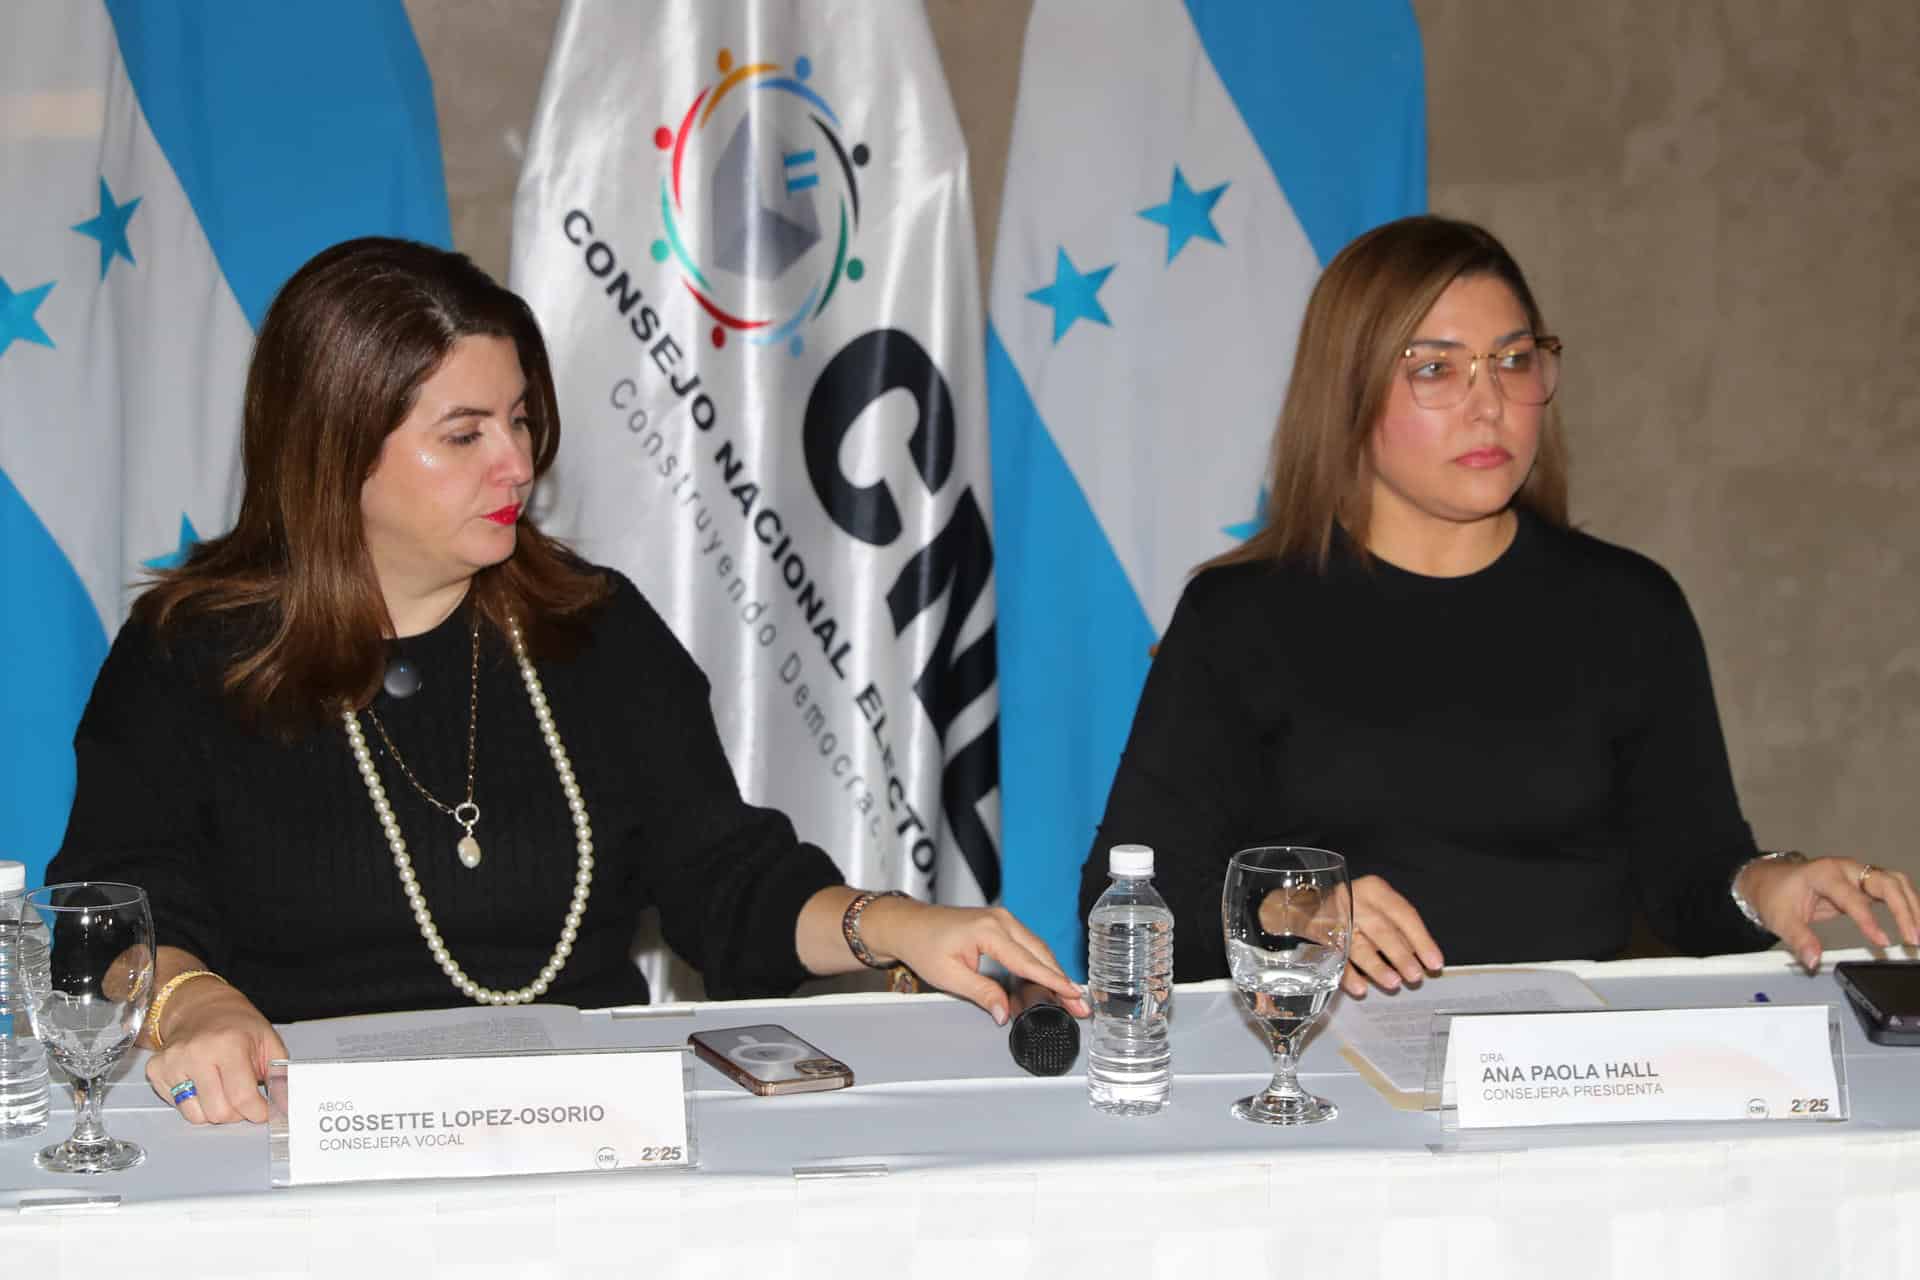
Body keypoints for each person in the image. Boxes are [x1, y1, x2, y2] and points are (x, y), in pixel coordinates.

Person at [48, 237, 1085, 1126]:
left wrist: (895, 922)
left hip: (587, 1134)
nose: (516, 464)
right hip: (296, 1131)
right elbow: (113, 913)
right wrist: (187, 999)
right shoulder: (191, 653)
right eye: (464, 434)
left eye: (521, 419)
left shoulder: (595, 628)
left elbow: (724, 877)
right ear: (334, 451)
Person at [1080, 215, 1918, 997]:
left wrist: (1766, 884)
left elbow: (1689, 885)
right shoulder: (1241, 616)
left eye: (1514, 361)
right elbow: (1122, 904)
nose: (1491, 404)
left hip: (1572, 1079)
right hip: (1324, 1079)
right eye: (1436, 369)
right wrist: (1291, 911)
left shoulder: (1629, 606)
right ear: (1348, 395)